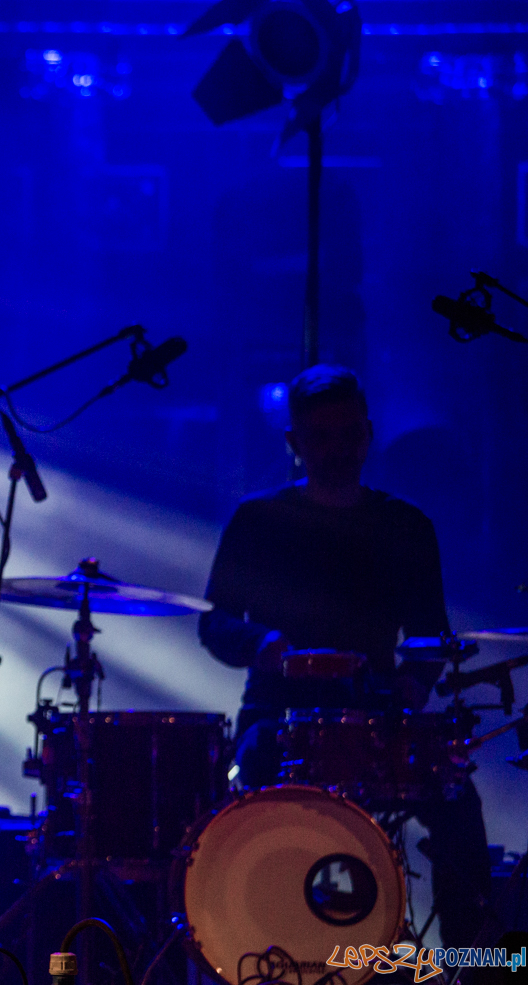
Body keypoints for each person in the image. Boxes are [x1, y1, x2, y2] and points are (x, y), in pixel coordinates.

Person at [198, 363, 493, 948]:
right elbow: (215, 622)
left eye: (349, 435)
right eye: (321, 437)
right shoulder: (258, 520)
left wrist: (411, 687)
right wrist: (264, 647)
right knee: (243, 807)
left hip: (377, 720)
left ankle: (475, 965)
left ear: (369, 434)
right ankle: (252, 950)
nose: (338, 450)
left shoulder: (405, 526)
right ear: (295, 444)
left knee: (459, 810)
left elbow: (430, 634)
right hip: (278, 717)